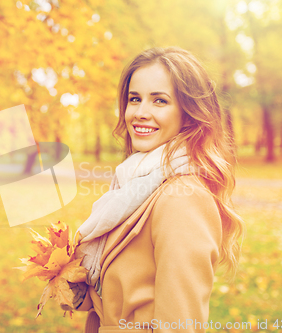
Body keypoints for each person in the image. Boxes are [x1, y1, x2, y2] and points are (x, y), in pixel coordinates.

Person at [65, 46, 245, 333]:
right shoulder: (134, 185)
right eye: (134, 99)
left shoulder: (183, 198)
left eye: (159, 101)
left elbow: (180, 324)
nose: (140, 113)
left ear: (189, 114)